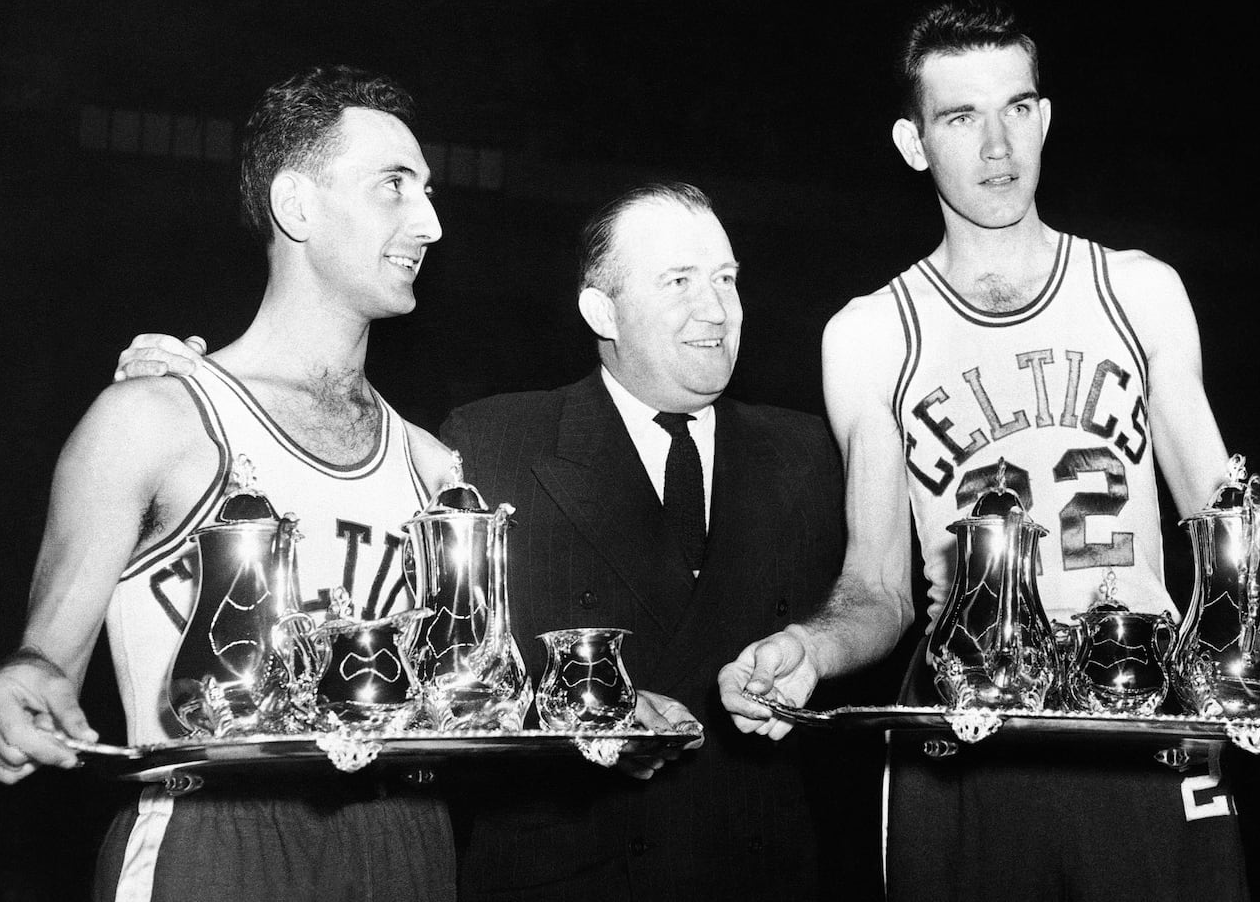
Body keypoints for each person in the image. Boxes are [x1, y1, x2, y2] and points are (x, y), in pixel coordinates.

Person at [718, 0, 1260, 901]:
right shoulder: (871, 334)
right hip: (963, 740)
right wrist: (808, 650)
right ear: (912, 142)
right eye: (960, 116)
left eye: (1017, 109)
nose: (996, 147)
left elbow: (1230, 532)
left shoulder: (1138, 292)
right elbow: (879, 585)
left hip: (1146, 719)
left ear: (1045, 118)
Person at [104, 183, 873, 902]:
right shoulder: (486, 443)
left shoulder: (808, 455)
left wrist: (816, 648)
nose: (717, 308)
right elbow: (392, 641)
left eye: (727, 278)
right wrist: (189, 394)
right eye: (679, 281)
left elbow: (870, 609)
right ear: (602, 311)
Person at [0, 64, 461, 901]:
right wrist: (24, 683)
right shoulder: (155, 417)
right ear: (297, 205)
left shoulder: (430, 461)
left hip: (406, 838)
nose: (428, 221)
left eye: (427, 190)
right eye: (393, 186)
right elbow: (44, 661)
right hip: (217, 835)